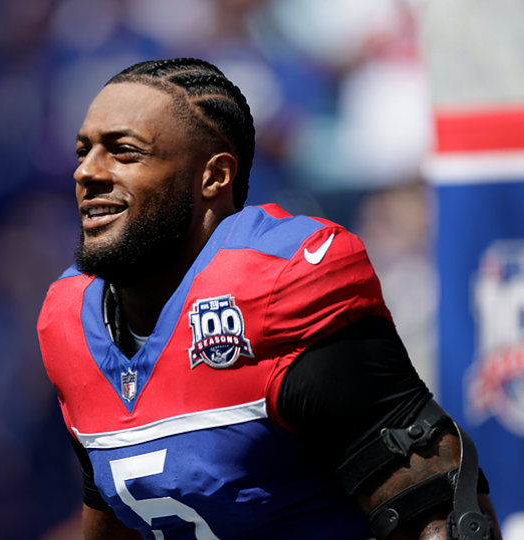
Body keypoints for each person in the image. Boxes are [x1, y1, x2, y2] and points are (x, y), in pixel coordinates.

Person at [37, 58, 500, 540]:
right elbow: (119, 517)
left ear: (214, 177)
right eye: (83, 151)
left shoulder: (277, 284)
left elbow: (440, 510)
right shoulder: (71, 318)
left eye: (124, 152)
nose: (87, 172)